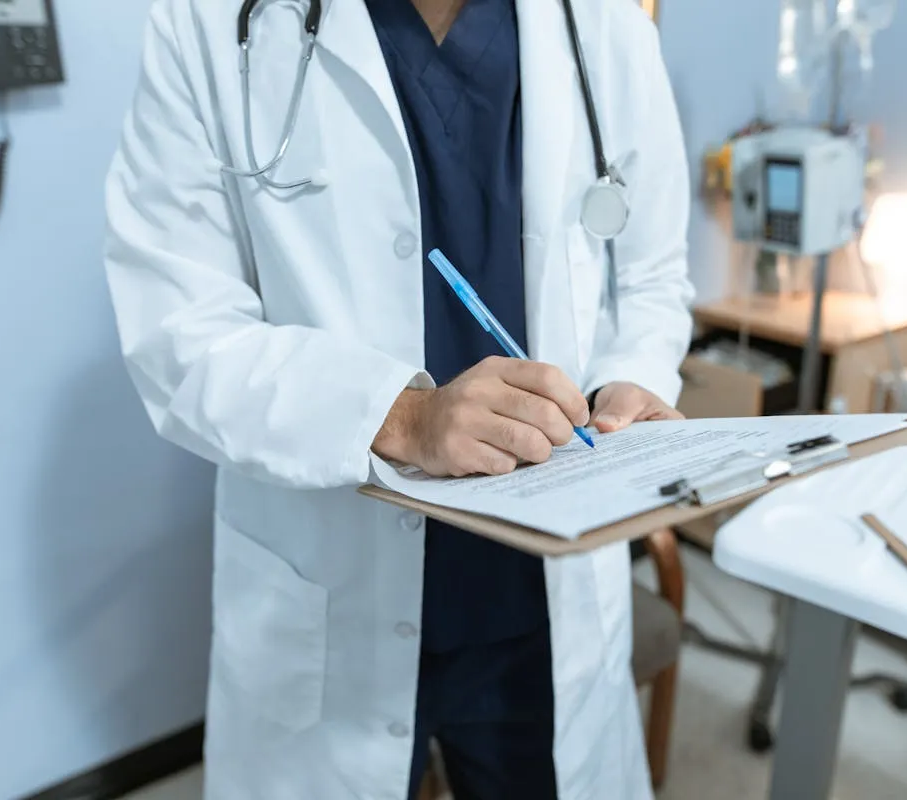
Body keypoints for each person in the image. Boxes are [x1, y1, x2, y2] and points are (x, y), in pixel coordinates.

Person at [103, 0, 694, 797]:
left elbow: (653, 276)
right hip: (329, 573)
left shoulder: (602, 23)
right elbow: (178, 330)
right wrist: (402, 416)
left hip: (539, 594)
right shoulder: (208, 22)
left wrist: (631, 381)